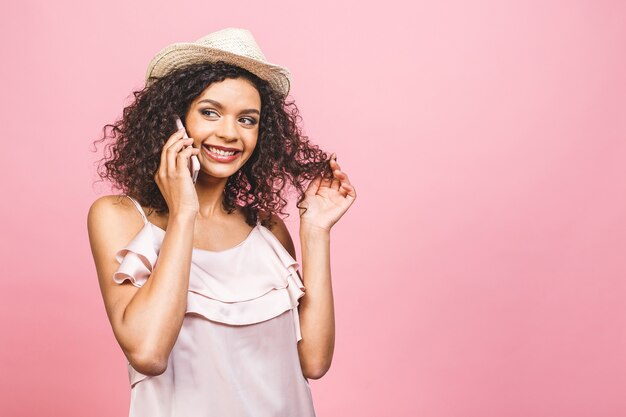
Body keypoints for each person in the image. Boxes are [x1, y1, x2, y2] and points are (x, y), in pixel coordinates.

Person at [87, 27, 356, 416]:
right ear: (174, 120)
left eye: (247, 120)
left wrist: (315, 232)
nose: (229, 133)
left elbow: (313, 362)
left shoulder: (266, 230)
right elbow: (147, 352)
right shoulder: (119, 217)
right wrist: (183, 212)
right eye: (210, 112)